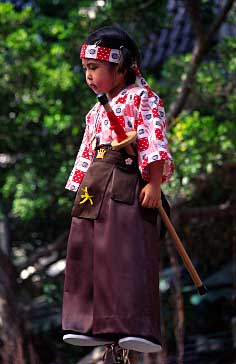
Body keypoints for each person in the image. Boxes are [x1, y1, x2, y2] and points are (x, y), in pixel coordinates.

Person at [62, 25, 174, 354]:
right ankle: (85, 323)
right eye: (86, 69)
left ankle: (134, 325)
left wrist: (153, 183)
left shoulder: (144, 99)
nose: (89, 76)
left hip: (127, 182)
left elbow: (154, 141)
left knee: (126, 254)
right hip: (94, 187)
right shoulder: (95, 112)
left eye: (94, 68)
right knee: (85, 254)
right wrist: (80, 184)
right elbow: (87, 151)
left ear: (121, 66)